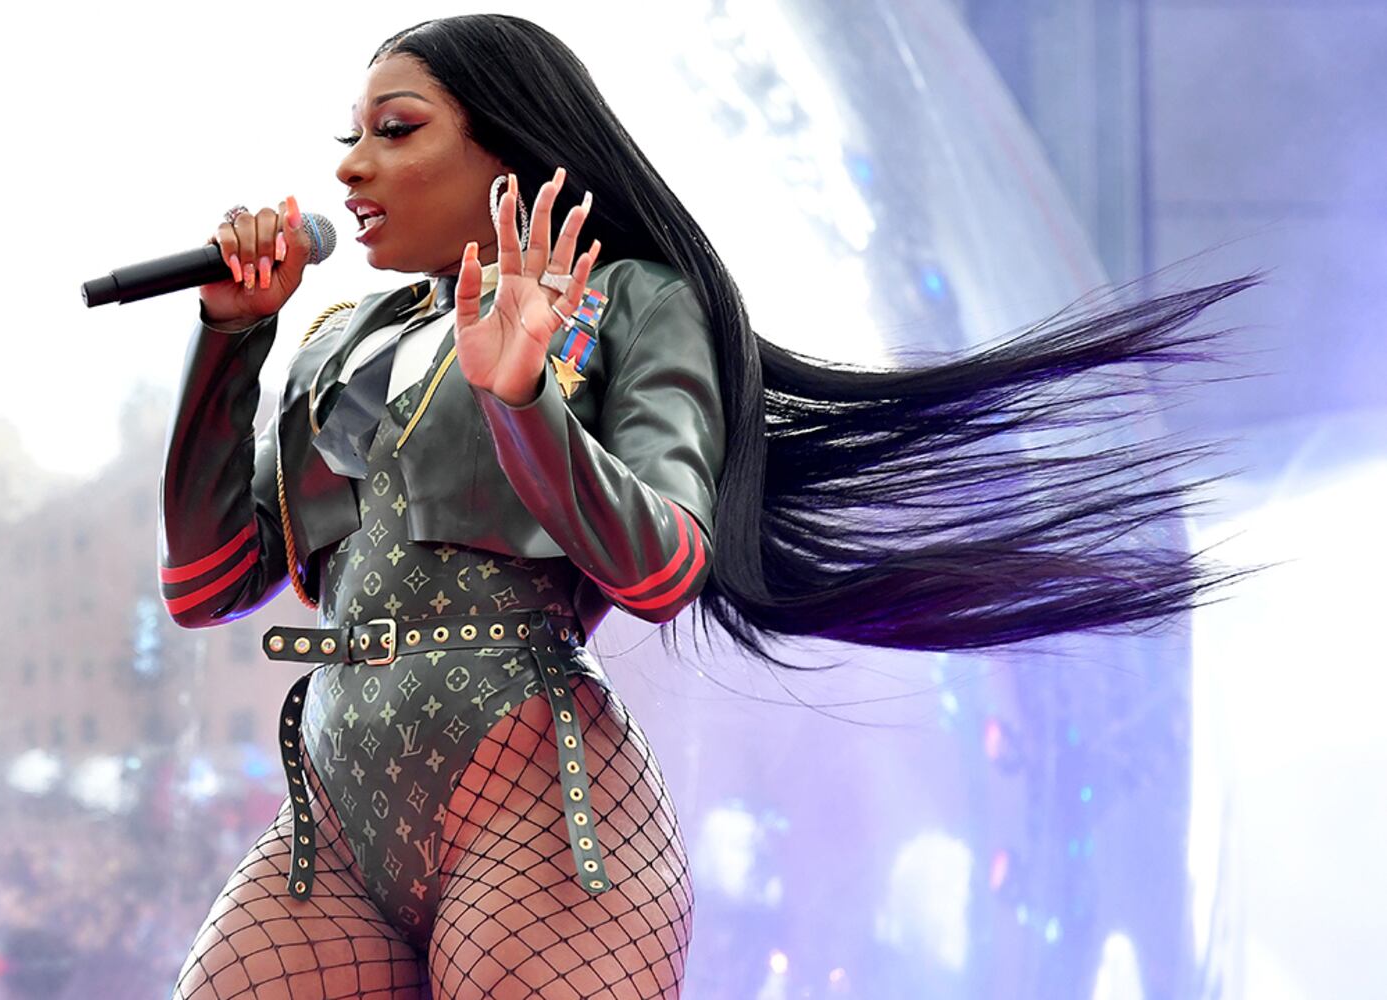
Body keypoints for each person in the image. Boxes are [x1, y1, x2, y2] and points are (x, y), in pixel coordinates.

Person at [158, 14, 1255, 1000]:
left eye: (395, 129)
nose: (350, 165)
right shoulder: (343, 341)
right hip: (335, 815)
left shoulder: (632, 302)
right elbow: (207, 582)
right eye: (350, 135)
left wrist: (522, 399)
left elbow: (662, 567)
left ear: (507, 147)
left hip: (537, 810)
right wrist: (230, 337)